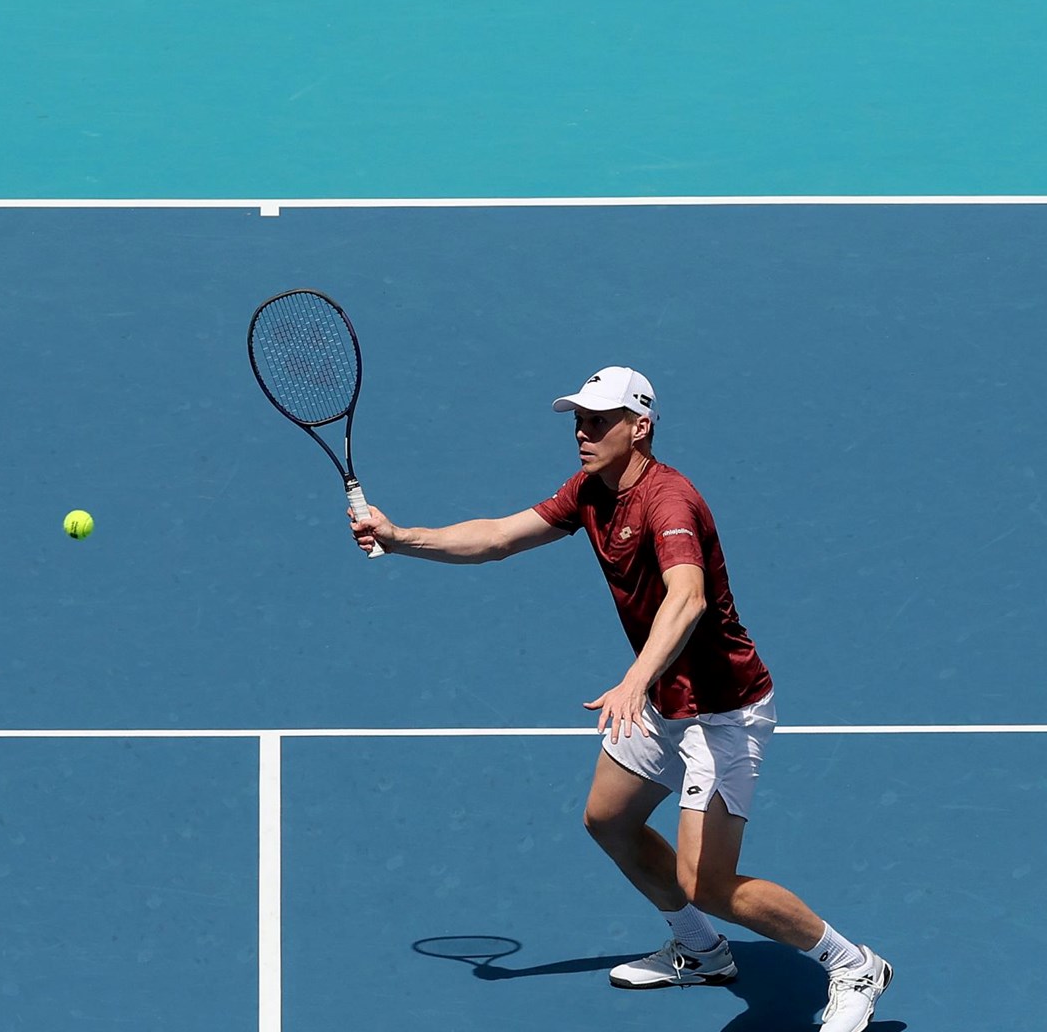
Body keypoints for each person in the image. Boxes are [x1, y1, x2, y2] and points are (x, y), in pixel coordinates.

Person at [348, 366, 891, 1032]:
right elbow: (496, 538)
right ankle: (701, 951)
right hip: (664, 699)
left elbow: (687, 596)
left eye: (598, 421)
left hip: (721, 714)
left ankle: (853, 964)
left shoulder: (670, 502)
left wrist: (635, 679)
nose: (582, 431)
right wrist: (404, 539)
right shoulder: (591, 492)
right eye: (579, 419)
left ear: (641, 426)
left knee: (711, 883)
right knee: (608, 820)